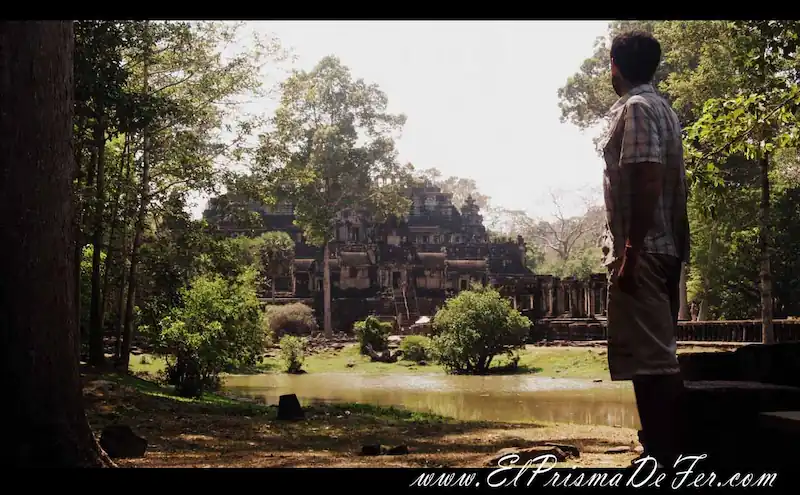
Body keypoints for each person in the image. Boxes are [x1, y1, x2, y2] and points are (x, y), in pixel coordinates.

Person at [599, 30, 691, 467]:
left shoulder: (636, 108)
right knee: (649, 357)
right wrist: (679, 253)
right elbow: (677, 189)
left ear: (614, 63)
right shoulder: (665, 110)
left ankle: (666, 456)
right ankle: (660, 448)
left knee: (653, 363)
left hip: (645, 250)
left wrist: (631, 253)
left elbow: (647, 177)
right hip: (664, 249)